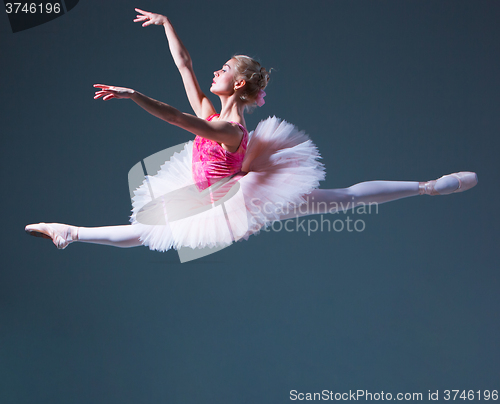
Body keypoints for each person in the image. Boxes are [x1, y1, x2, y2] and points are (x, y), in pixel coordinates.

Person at [25, 9, 478, 251]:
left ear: (238, 83)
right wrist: (167, 24)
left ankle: (428, 187)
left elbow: (173, 116)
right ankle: (71, 232)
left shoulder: (228, 128)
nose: (215, 71)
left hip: (242, 198)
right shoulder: (211, 108)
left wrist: (132, 95)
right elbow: (184, 66)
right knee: (150, 228)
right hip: (213, 191)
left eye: (223, 68)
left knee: (346, 198)